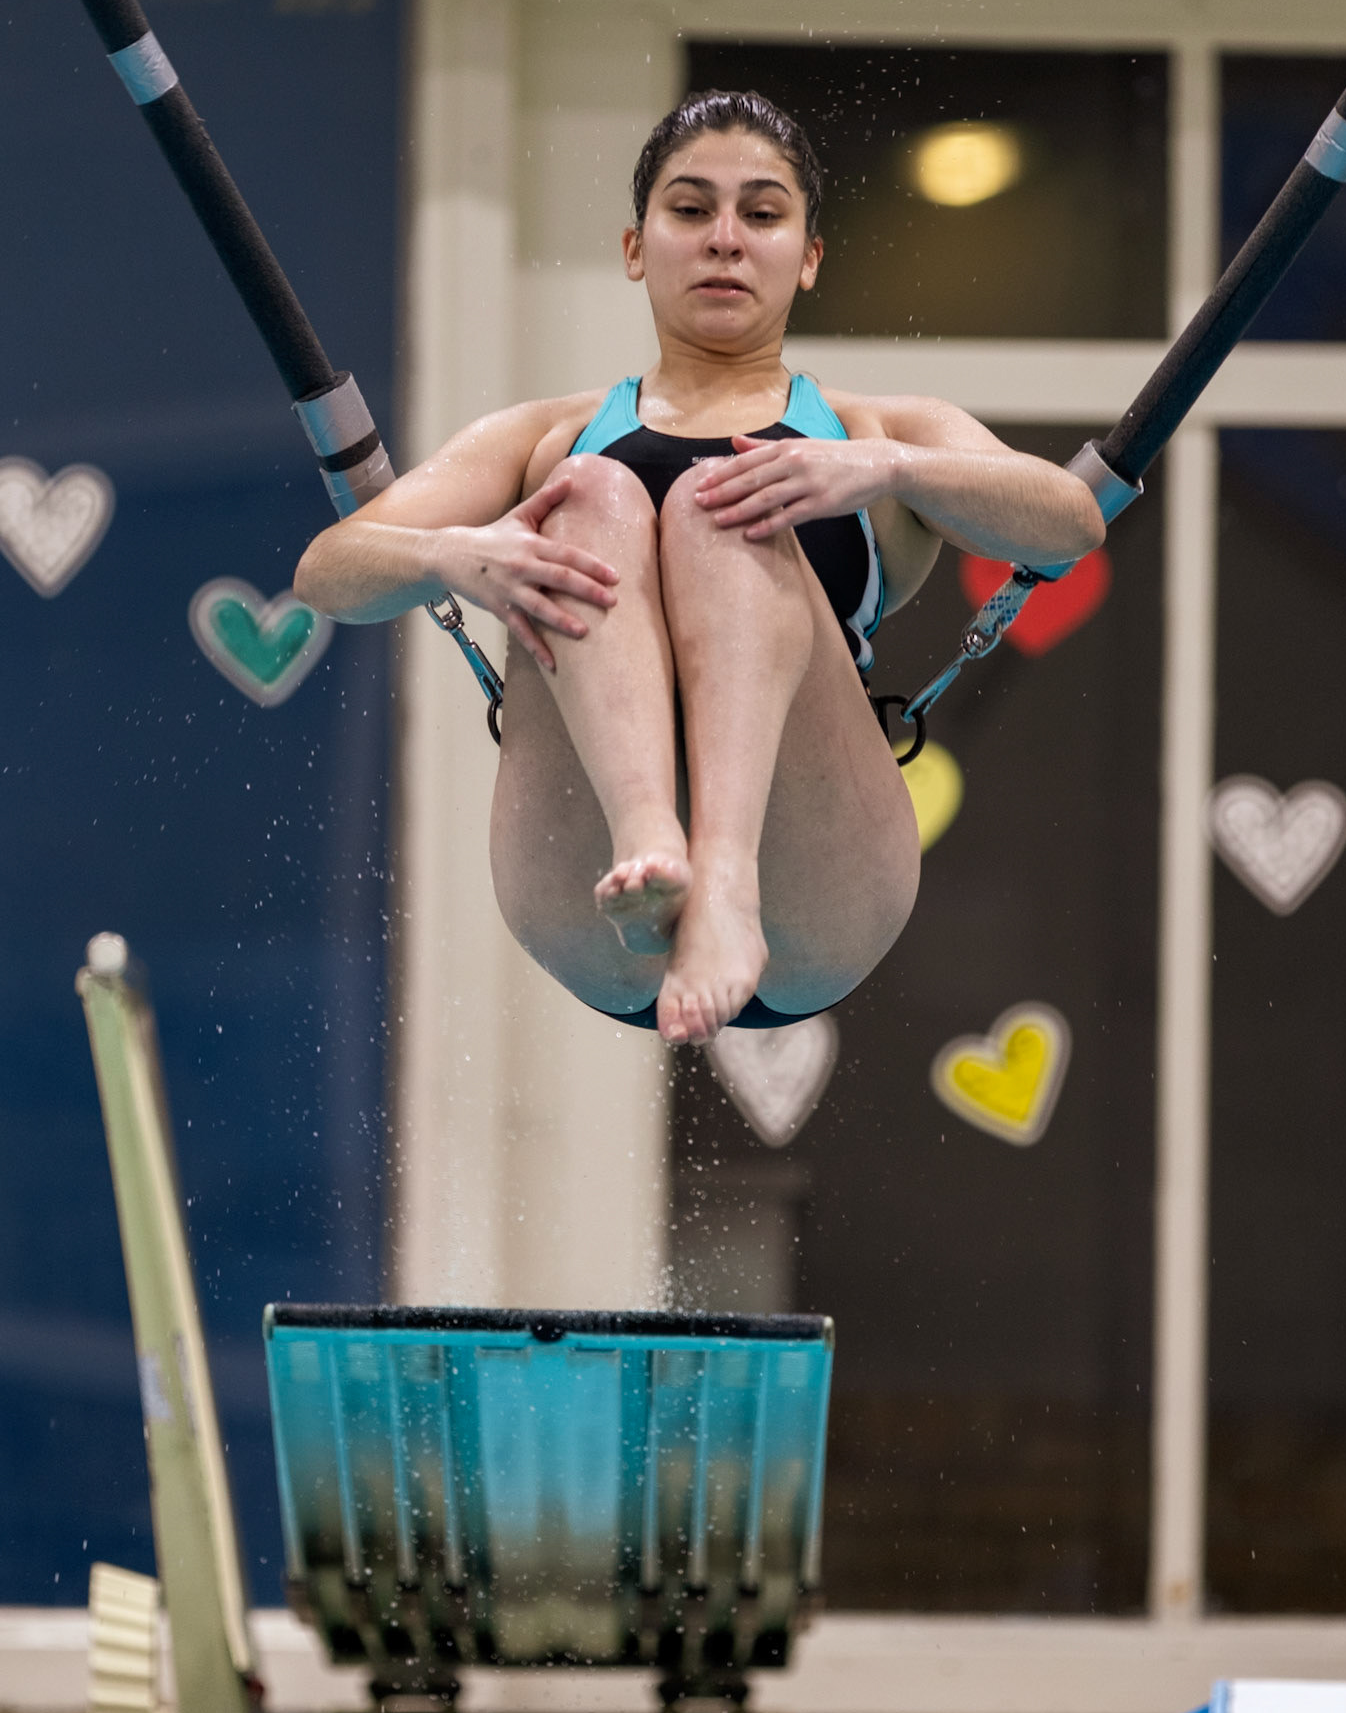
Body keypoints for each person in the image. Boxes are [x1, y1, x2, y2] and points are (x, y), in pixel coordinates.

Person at [293, 90, 1104, 1047]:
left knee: (728, 494)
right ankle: (654, 841)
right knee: (588, 494)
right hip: (593, 882)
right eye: (690, 210)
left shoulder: (874, 431)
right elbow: (329, 574)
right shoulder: (545, 437)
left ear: (806, 259)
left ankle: (724, 881)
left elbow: (1069, 523)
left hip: (811, 891)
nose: (725, 238)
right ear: (635, 247)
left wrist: (887, 467)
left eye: (761, 214)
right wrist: (457, 555)